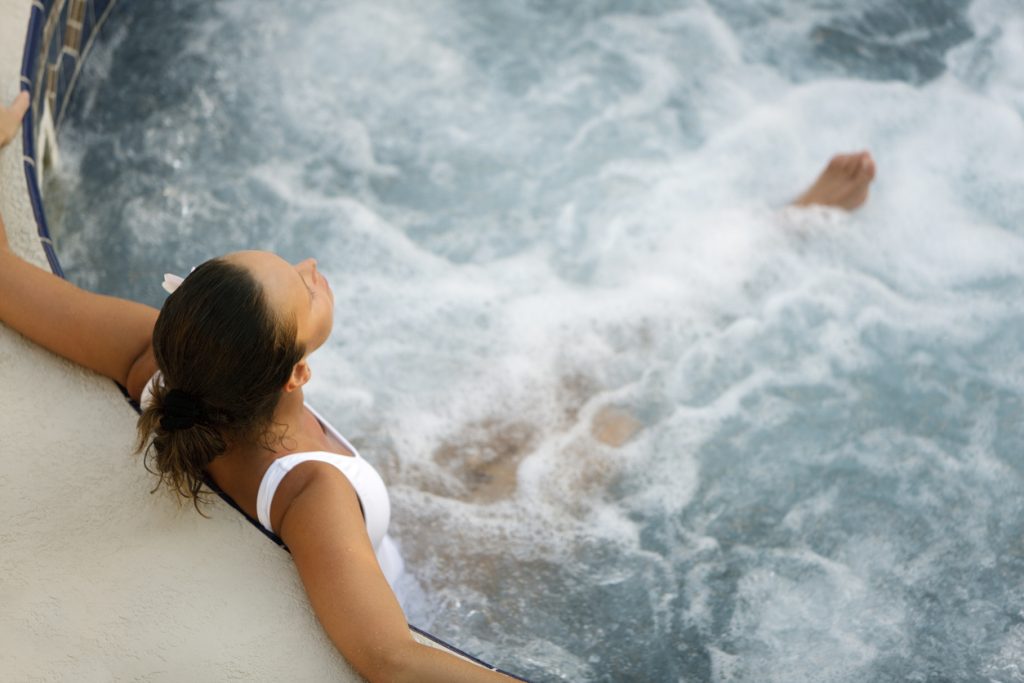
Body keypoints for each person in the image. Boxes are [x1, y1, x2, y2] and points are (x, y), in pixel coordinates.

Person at [0, 92, 875, 680]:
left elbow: (6, 279)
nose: (312, 267)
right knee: (606, 428)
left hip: (406, 504)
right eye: (302, 288)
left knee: (570, 366)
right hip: (446, 582)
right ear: (298, 372)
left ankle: (779, 229)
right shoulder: (309, 493)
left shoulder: (157, 357)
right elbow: (388, 653)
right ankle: (774, 255)